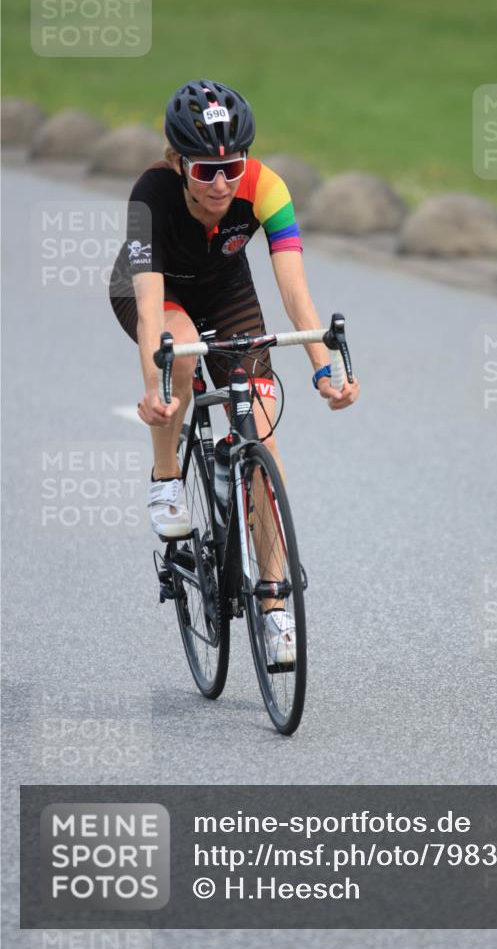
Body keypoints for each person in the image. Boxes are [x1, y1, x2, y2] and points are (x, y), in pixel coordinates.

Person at [109, 78, 360, 659]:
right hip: (154, 291)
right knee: (183, 348)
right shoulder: (150, 194)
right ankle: (168, 478)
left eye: (232, 167)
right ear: (177, 164)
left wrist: (325, 372)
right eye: (204, 172)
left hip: (225, 290)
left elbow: (296, 295)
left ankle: (274, 606)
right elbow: (149, 310)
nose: (221, 183)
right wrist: (153, 387)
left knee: (263, 434)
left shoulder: (267, 188)